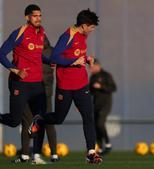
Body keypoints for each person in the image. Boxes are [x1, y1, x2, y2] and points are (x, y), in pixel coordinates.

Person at [29, 9, 102, 164]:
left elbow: (75, 54)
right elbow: (55, 57)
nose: (92, 30)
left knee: (88, 117)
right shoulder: (67, 36)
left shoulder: (83, 35)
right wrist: (73, 62)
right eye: (91, 27)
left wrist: (86, 58)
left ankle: (91, 153)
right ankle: (39, 119)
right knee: (59, 118)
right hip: (66, 87)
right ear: (83, 26)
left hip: (82, 85)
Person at [0, 4, 52, 164]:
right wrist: (15, 70)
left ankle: (35, 156)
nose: (38, 18)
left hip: (37, 84)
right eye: (35, 15)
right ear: (27, 17)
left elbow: (38, 56)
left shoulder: (42, 33)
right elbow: (1, 53)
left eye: (40, 15)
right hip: (20, 84)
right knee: (15, 121)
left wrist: (52, 61)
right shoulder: (20, 32)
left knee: (39, 119)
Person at [12, 37, 59, 163]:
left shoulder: (30, 52)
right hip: (46, 93)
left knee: (26, 121)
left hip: (30, 90)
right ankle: (53, 154)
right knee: (46, 122)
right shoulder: (53, 52)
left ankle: (25, 154)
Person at [89, 59, 116, 155]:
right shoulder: (93, 77)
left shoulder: (106, 75)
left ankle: (108, 144)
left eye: (92, 66)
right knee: (96, 125)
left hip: (105, 104)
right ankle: (100, 147)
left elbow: (113, 88)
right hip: (96, 105)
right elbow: (90, 91)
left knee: (100, 123)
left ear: (97, 66)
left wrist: (101, 86)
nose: (90, 69)